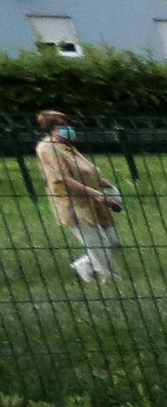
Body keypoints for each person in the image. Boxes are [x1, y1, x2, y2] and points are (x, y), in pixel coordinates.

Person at [36, 110, 119, 282]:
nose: (68, 128)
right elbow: (63, 179)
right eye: (62, 125)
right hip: (73, 202)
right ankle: (107, 277)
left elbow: (85, 171)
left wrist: (107, 185)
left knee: (112, 241)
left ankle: (83, 265)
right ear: (51, 128)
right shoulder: (47, 149)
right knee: (97, 243)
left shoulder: (67, 147)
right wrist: (95, 193)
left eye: (68, 124)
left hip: (92, 199)